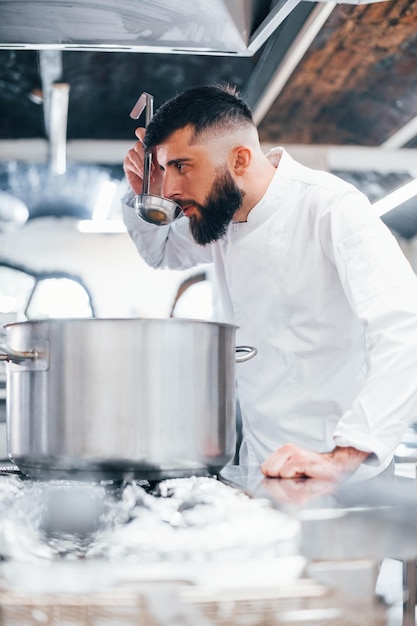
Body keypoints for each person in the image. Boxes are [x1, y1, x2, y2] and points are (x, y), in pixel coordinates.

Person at [123, 84, 417, 483]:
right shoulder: (221, 218)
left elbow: (405, 329)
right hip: (262, 472)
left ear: (240, 159)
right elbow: (160, 253)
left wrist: (343, 456)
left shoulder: (330, 207)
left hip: (344, 479)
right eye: (164, 169)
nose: (170, 190)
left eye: (182, 166)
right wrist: (140, 188)